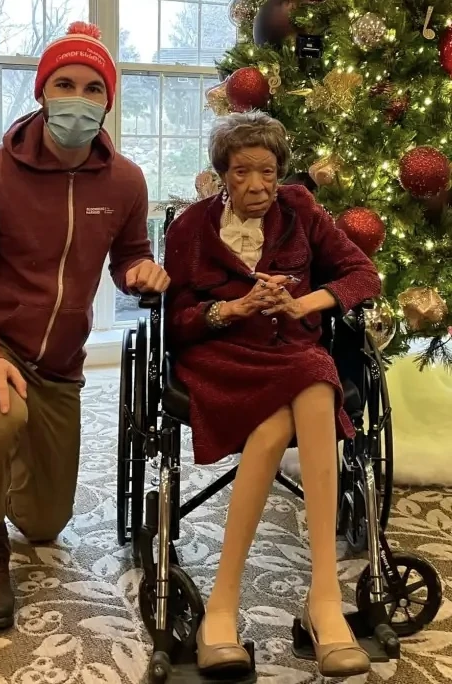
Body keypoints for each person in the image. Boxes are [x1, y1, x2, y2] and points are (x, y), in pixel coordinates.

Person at [0, 21, 169, 634]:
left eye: (92, 88)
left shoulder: (126, 181)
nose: (78, 99)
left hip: (58, 365)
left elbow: (128, 255)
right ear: (42, 93)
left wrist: (140, 273)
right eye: (64, 84)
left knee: (45, 522)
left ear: (108, 100)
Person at [163, 111, 381, 678]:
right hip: (221, 358)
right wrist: (231, 309)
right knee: (306, 391)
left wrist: (303, 303)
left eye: (268, 172)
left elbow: (363, 276)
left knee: (313, 379)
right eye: (242, 172)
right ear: (222, 175)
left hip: (290, 348)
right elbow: (177, 323)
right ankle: (319, 608)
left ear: (281, 173)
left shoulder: (301, 211)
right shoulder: (189, 229)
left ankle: (252, 604)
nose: (257, 185)